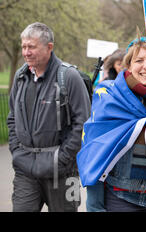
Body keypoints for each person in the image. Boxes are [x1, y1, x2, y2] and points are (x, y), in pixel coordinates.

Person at [77, 37, 146, 212]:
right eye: (139, 60)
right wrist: (95, 206)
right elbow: (96, 153)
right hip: (121, 199)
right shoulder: (110, 97)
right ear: (129, 66)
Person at [7, 22, 91, 212]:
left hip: (64, 173)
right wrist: (16, 150)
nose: (26, 52)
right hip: (25, 170)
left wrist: (63, 159)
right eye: (24, 47)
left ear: (49, 47)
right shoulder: (20, 77)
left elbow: (83, 123)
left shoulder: (69, 77)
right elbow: (12, 117)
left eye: (31, 47)